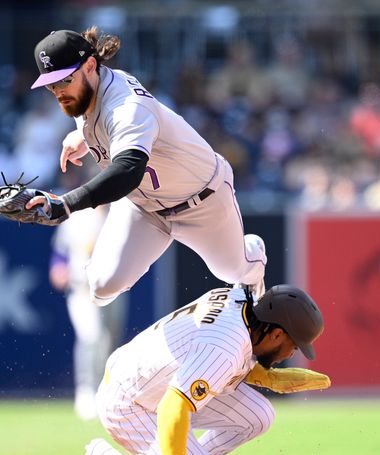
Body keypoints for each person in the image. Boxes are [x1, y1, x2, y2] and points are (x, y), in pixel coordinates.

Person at [25, 28, 267, 306]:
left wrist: (67, 203)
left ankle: (253, 251)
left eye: (64, 80)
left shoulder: (127, 106)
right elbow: (100, 120)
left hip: (202, 201)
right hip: (144, 207)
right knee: (102, 287)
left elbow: (128, 169)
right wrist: (83, 136)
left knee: (234, 270)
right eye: (51, 84)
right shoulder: (86, 90)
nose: (58, 92)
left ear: (90, 66)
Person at [64, 285, 329, 455]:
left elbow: (210, 358)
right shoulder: (224, 347)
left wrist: (266, 377)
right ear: (276, 334)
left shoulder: (241, 300)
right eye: (293, 345)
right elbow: (172, 407)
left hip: (157, 381)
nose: (292, 353)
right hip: (129, 403)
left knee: (260, 416)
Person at [49, 206, 127, 420]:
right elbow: (60, 252)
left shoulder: (119, 213)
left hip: (114, 288)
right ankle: (85, 392)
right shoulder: (77, 217)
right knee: (91, 338)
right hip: (82, 288)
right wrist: (58, 267)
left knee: (110, 341)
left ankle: (106, 393)